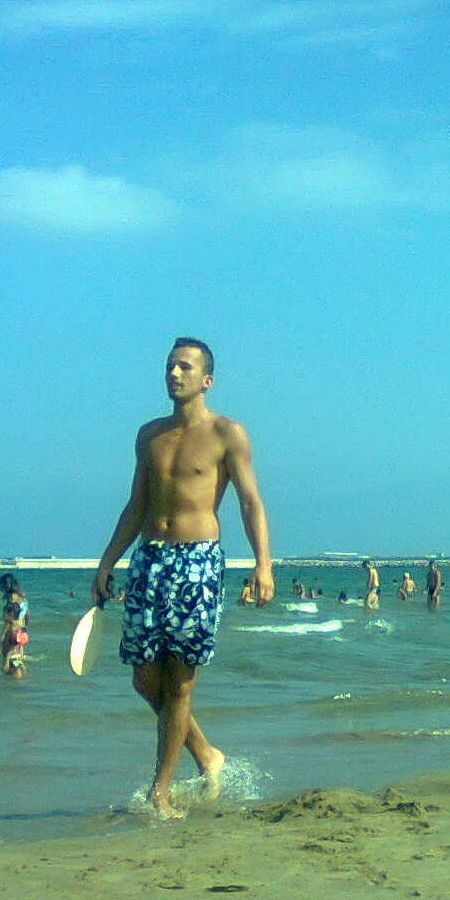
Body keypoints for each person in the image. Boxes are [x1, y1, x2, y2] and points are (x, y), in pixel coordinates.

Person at [92, 337, 272, 819]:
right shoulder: (149, 435)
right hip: (149, 559)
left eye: (185, 367)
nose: (174, 373)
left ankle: (161, 791)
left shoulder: (227, 434)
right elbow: (136, 504)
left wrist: (263, 563)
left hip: (197, 563)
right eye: (170, 366)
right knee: (143, 678)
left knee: (180, 685)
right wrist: (107, 561)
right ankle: (207, 753)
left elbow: (250, 502)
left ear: (206, 379)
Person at [0, 602, 29, 677]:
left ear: (11, 614)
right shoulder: (20, 624)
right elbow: (20, 644)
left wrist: (6, 658)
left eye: (4, 614)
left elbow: (1, 638)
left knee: (12, 675)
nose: (3, 616)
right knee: (18, 675)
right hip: (17, 655)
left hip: (10, 656)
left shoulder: (9, 625)